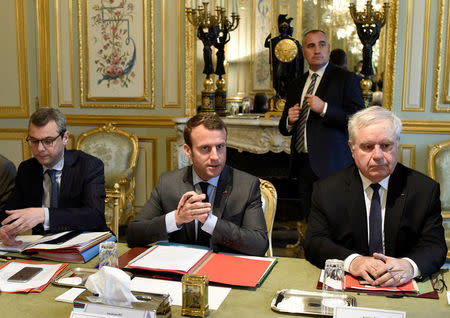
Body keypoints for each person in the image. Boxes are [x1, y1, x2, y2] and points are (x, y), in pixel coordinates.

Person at [304, 106, 447, 287]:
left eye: (386, 146)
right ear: (352, 148)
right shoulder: (326, 190)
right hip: (349, 288)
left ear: (397, 143)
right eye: (367, 147)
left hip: (402, 290)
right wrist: (353, 261)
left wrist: (409, 266)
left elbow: (435, 246)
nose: (378, 155)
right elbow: (314, 242)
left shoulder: (424, 190)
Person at [127, 113, 268, 256]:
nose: (215, 156)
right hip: (181, 270)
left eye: (220, 146)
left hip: (226, 270)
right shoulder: (168, 183)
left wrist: (210, 223)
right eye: (205, 148)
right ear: (188, 151)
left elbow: (259, 245)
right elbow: (133, 235)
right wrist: (177, 218)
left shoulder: (246, 185)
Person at [279, 30, 364, 220]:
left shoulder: (346, 79)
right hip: (302, 165)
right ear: (304, 52)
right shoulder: (296, 84)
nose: (317, 50)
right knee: (310, 219)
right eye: (311, 46)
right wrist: (289, 120)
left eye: (322, 44)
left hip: (333, 166)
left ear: (328, 48)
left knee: (334, 221)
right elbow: (283, 128)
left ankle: (333, 252)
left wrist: (325, 108)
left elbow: (358, 119)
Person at [1, 108, 108, 246]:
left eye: (48, 141)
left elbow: (94, 216)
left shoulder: (88, 166)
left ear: (65, 138)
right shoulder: (27, 169)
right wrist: (5, 228)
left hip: (87, 243)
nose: (40, 148)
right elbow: (11, 212)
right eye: (34, 141)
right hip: (43, 247)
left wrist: (45, 215)